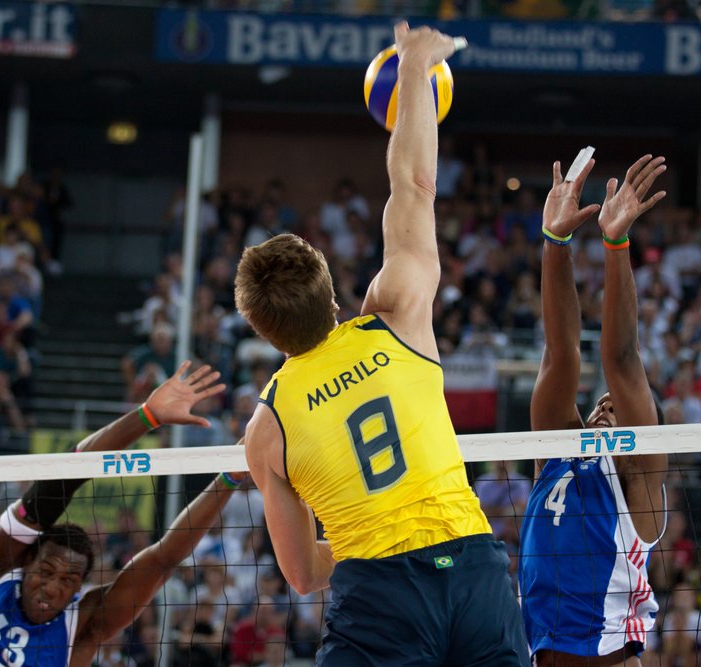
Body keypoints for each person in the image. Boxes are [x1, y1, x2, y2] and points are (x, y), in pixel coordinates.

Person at [235, 22, 527, 666]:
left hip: (378, 596)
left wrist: (369, 542)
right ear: (332, 293)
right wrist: (416, 67)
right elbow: (415, 185)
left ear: (262, 330)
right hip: (473, 571)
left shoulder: (267, 428)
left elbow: (304, 575)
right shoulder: (396, 319)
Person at [0, 361, 246, 667]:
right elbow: (65, 476)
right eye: (46, 571)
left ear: (78, 589)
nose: (52, 588)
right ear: (27, 562)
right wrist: (147, 415)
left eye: (68, 580)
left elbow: (164, 558)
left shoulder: (79, 629)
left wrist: (230, 477)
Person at [519, 153, 668, 665]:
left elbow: (621, 359)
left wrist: (616, 243)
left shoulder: (639, 479)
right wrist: (555, 241)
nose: (604, 406)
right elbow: (560, 353)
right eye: (600, 404)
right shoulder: (555, 456)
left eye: (616, 407)